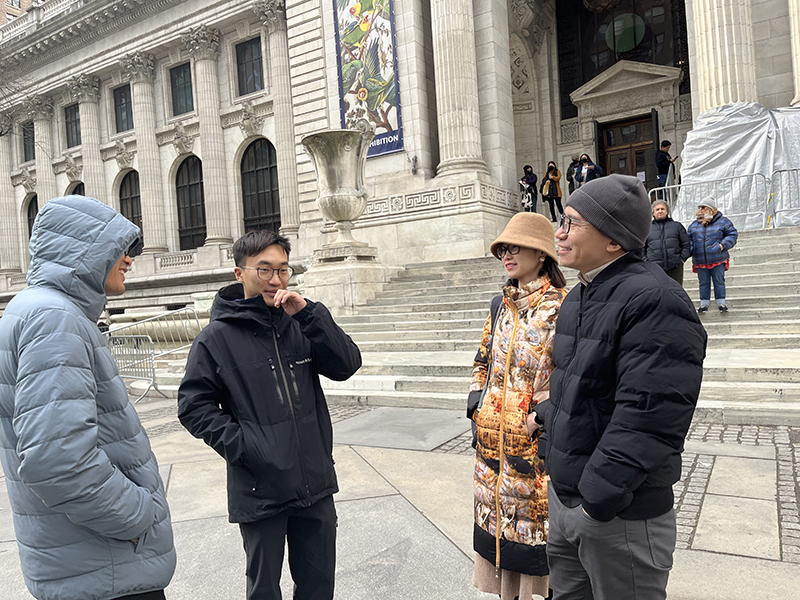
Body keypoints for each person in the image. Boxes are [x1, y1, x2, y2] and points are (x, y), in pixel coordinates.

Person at [530, 175, 707, 600]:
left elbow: (649, 417)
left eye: (572, 223)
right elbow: (581, 394)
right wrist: (547, 423)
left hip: (618, 514)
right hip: (567, 498)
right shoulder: (579, 296)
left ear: (613, 239)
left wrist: (596, 501)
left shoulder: (655, 299)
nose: (559, 233)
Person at [0, 195, 176, 600]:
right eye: (118, 247)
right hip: (104, 567)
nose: (130, 258)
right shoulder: (54, 319)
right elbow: (57, 461)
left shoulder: (36, 310)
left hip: (85, 564)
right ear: (82, 250)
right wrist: (136, 517)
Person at [177, 229, 362, 600]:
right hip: (261, 488)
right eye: (264, 270)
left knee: (318, 586)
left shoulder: (299, 322)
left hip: (314, 482)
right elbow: (192, 405)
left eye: (283, 270)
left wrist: (310, 315)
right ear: (239, 273)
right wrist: (248, 448)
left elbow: (346, 364)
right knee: (264, 590)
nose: (275, 280)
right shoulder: (215, 338)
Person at [468, 212, 568, 600]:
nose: (507, 255)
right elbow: (482, 361)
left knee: (534, 541)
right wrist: (478, 407)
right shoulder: (500, 305)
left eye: (516, 247)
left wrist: (538, 419)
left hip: (531, 446)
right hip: (491, 445)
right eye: (503, 249)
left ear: (542, 254)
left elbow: (568, 373)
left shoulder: (561, 306)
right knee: (497, 539)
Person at [687, 197, 739, 313]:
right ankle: (704, 303)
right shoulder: (694, 225)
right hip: (700, 259)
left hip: (717, 258)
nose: (701, 209)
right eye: (700, 207)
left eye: (703, 207)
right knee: (703, 282)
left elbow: (732, 234)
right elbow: (689, 240)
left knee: (719, 281)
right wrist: (690, 251)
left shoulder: (723, 221)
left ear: (710, 209)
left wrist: (722, 245)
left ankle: (721, 302)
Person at [644, 200, 691, 284]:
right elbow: (641, 248)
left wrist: (681, 259)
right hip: (655, 269)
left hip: (675, 268)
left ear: (667, 211)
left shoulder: (677, 226)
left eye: (662, 209)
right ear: (653, 213)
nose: (660, 211)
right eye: (657, 209)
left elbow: (686, 244)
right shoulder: (647, 229)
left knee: (676, 293)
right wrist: (646, 262)